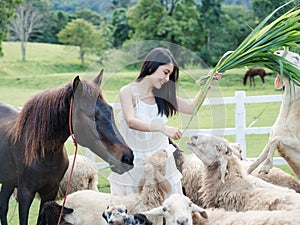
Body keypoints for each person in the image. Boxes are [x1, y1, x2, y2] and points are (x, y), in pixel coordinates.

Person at [108, 47, 222, 196]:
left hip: (161, 164)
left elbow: (191, 108)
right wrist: (162, 128)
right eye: (165, 72)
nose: (167, 79)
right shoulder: (128, 91)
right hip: (135, 164)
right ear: (151, 66)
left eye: (169, 74)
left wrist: (207, 84)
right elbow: (131, 121)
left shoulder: (162, 94)